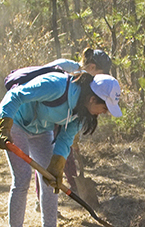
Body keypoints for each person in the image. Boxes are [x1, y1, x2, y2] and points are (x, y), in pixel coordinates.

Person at [0, 71, 121, 227]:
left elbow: (65, 138)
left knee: (51, 181)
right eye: (104, 108)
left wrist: (57, 164)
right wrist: (4, 126)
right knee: (22, 178)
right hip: (17, 121)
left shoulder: (82, 112)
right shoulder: (56, 86)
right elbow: (16, 96)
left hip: (41, 130)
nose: (105, 113)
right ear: (93, 98)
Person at [34, 48, 113, 197]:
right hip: (46, 119)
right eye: (101, 73)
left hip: (64, 122)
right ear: (92, 68)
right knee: (46, 159)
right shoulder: (67, 68)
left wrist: (73, 135)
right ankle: (42, 196)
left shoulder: (86, 83)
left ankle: (72, 187)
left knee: (64, 154)